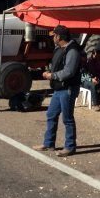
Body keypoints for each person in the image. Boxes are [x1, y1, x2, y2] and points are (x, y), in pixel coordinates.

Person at [34, 26, 82, 157]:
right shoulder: (60, 49)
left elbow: (69, 71)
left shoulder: (72, 51)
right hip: (59, 88)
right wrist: (51, 73)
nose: (52, 37)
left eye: (54, 35)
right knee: (51, 114)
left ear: (59, 37)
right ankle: (49, 143)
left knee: (67, 118)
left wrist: (52, 76)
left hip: (68, 88)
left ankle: (70, 147)